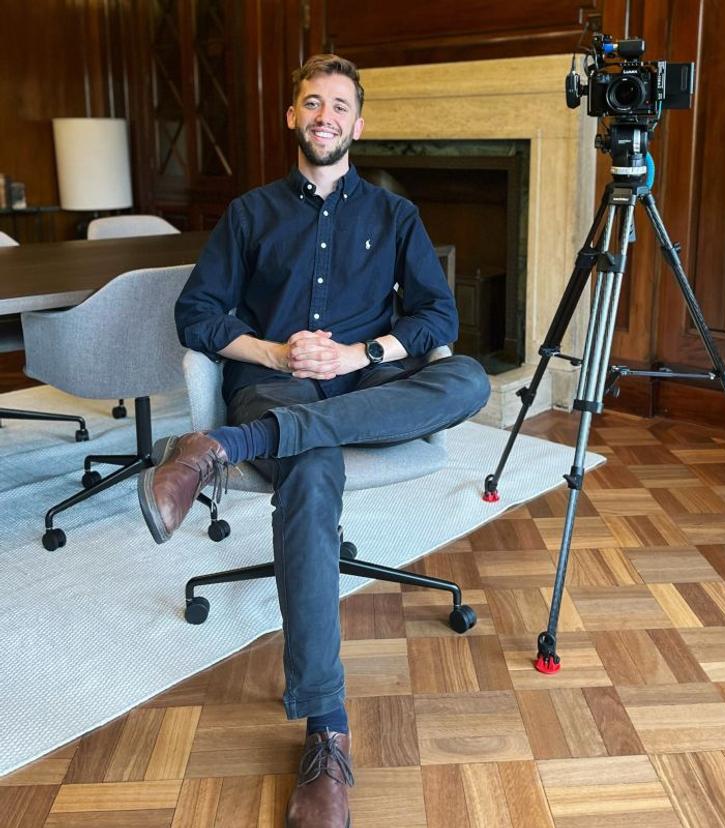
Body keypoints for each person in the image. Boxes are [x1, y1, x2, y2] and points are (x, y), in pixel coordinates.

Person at [138, 54, 490, 828]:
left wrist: (360, 354)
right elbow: (196, 314)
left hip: (365, 384)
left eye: (339, 105)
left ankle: (223, 447)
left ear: (358, 124)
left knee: (469, 380)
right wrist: (273, 352)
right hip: (277, 383)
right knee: (311, 468)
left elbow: (438, 318)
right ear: (292, 116)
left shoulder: (395, 215)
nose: (325, 115)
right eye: (312, 102)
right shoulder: (250, 213)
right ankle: (326, 735)